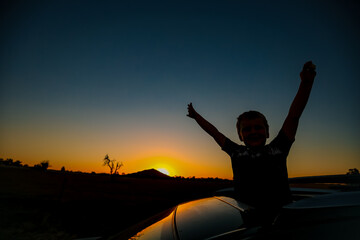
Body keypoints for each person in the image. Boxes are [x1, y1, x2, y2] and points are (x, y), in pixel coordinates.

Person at [187, 61, 316, 224]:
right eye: (247, 129)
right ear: (240, 135)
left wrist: (306, 83)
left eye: (258, 127)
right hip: (249, 223)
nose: (253, 132)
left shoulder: (278, 148)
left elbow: (294, 116)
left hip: (282, 222)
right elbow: (214, 133)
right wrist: (196, 117)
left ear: (267, 132)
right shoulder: (237, 152)